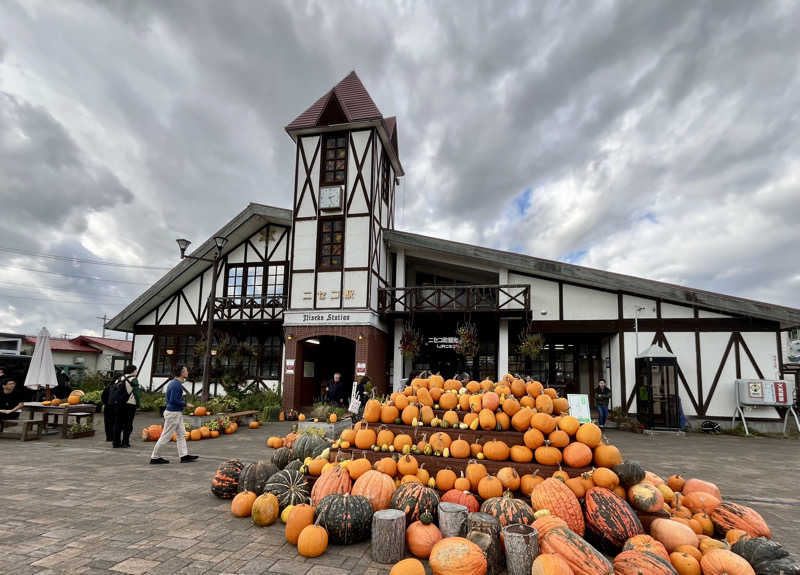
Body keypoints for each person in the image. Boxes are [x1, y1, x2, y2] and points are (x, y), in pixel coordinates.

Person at [149, 366, 197, 464]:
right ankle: (155, 457)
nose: (188, 372)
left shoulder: (174, 383)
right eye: (186, 371)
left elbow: (171, 400)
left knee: (181, 434)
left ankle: (184, 456)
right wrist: (185, 404)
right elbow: (173, 400)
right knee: (166, 436)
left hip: (175, 413)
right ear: (182, 373)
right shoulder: (176, 385)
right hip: (173, 413)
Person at [111, 365, 140, 448]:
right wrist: (138, 404)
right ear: (133, 371)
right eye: (136, 370)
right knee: (128, 424)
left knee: (117, 423)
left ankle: (116, 443)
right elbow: (137, 394)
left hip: (117, 404)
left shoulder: (119, 379)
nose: (136, 372)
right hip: (129, 404)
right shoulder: (133, 379)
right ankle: (125, 442)